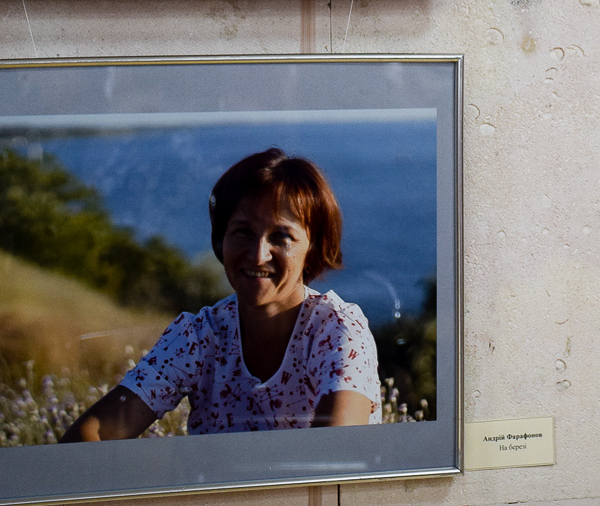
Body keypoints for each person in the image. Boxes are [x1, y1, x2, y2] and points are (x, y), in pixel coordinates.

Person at [61, 149, 380, 440]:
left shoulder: (336, 331)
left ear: (312, 249)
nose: (258, 255)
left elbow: (339, 454)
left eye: (281, 237)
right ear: (221, 239)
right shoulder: (199, 337)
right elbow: (89, 437)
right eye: (243, 232)